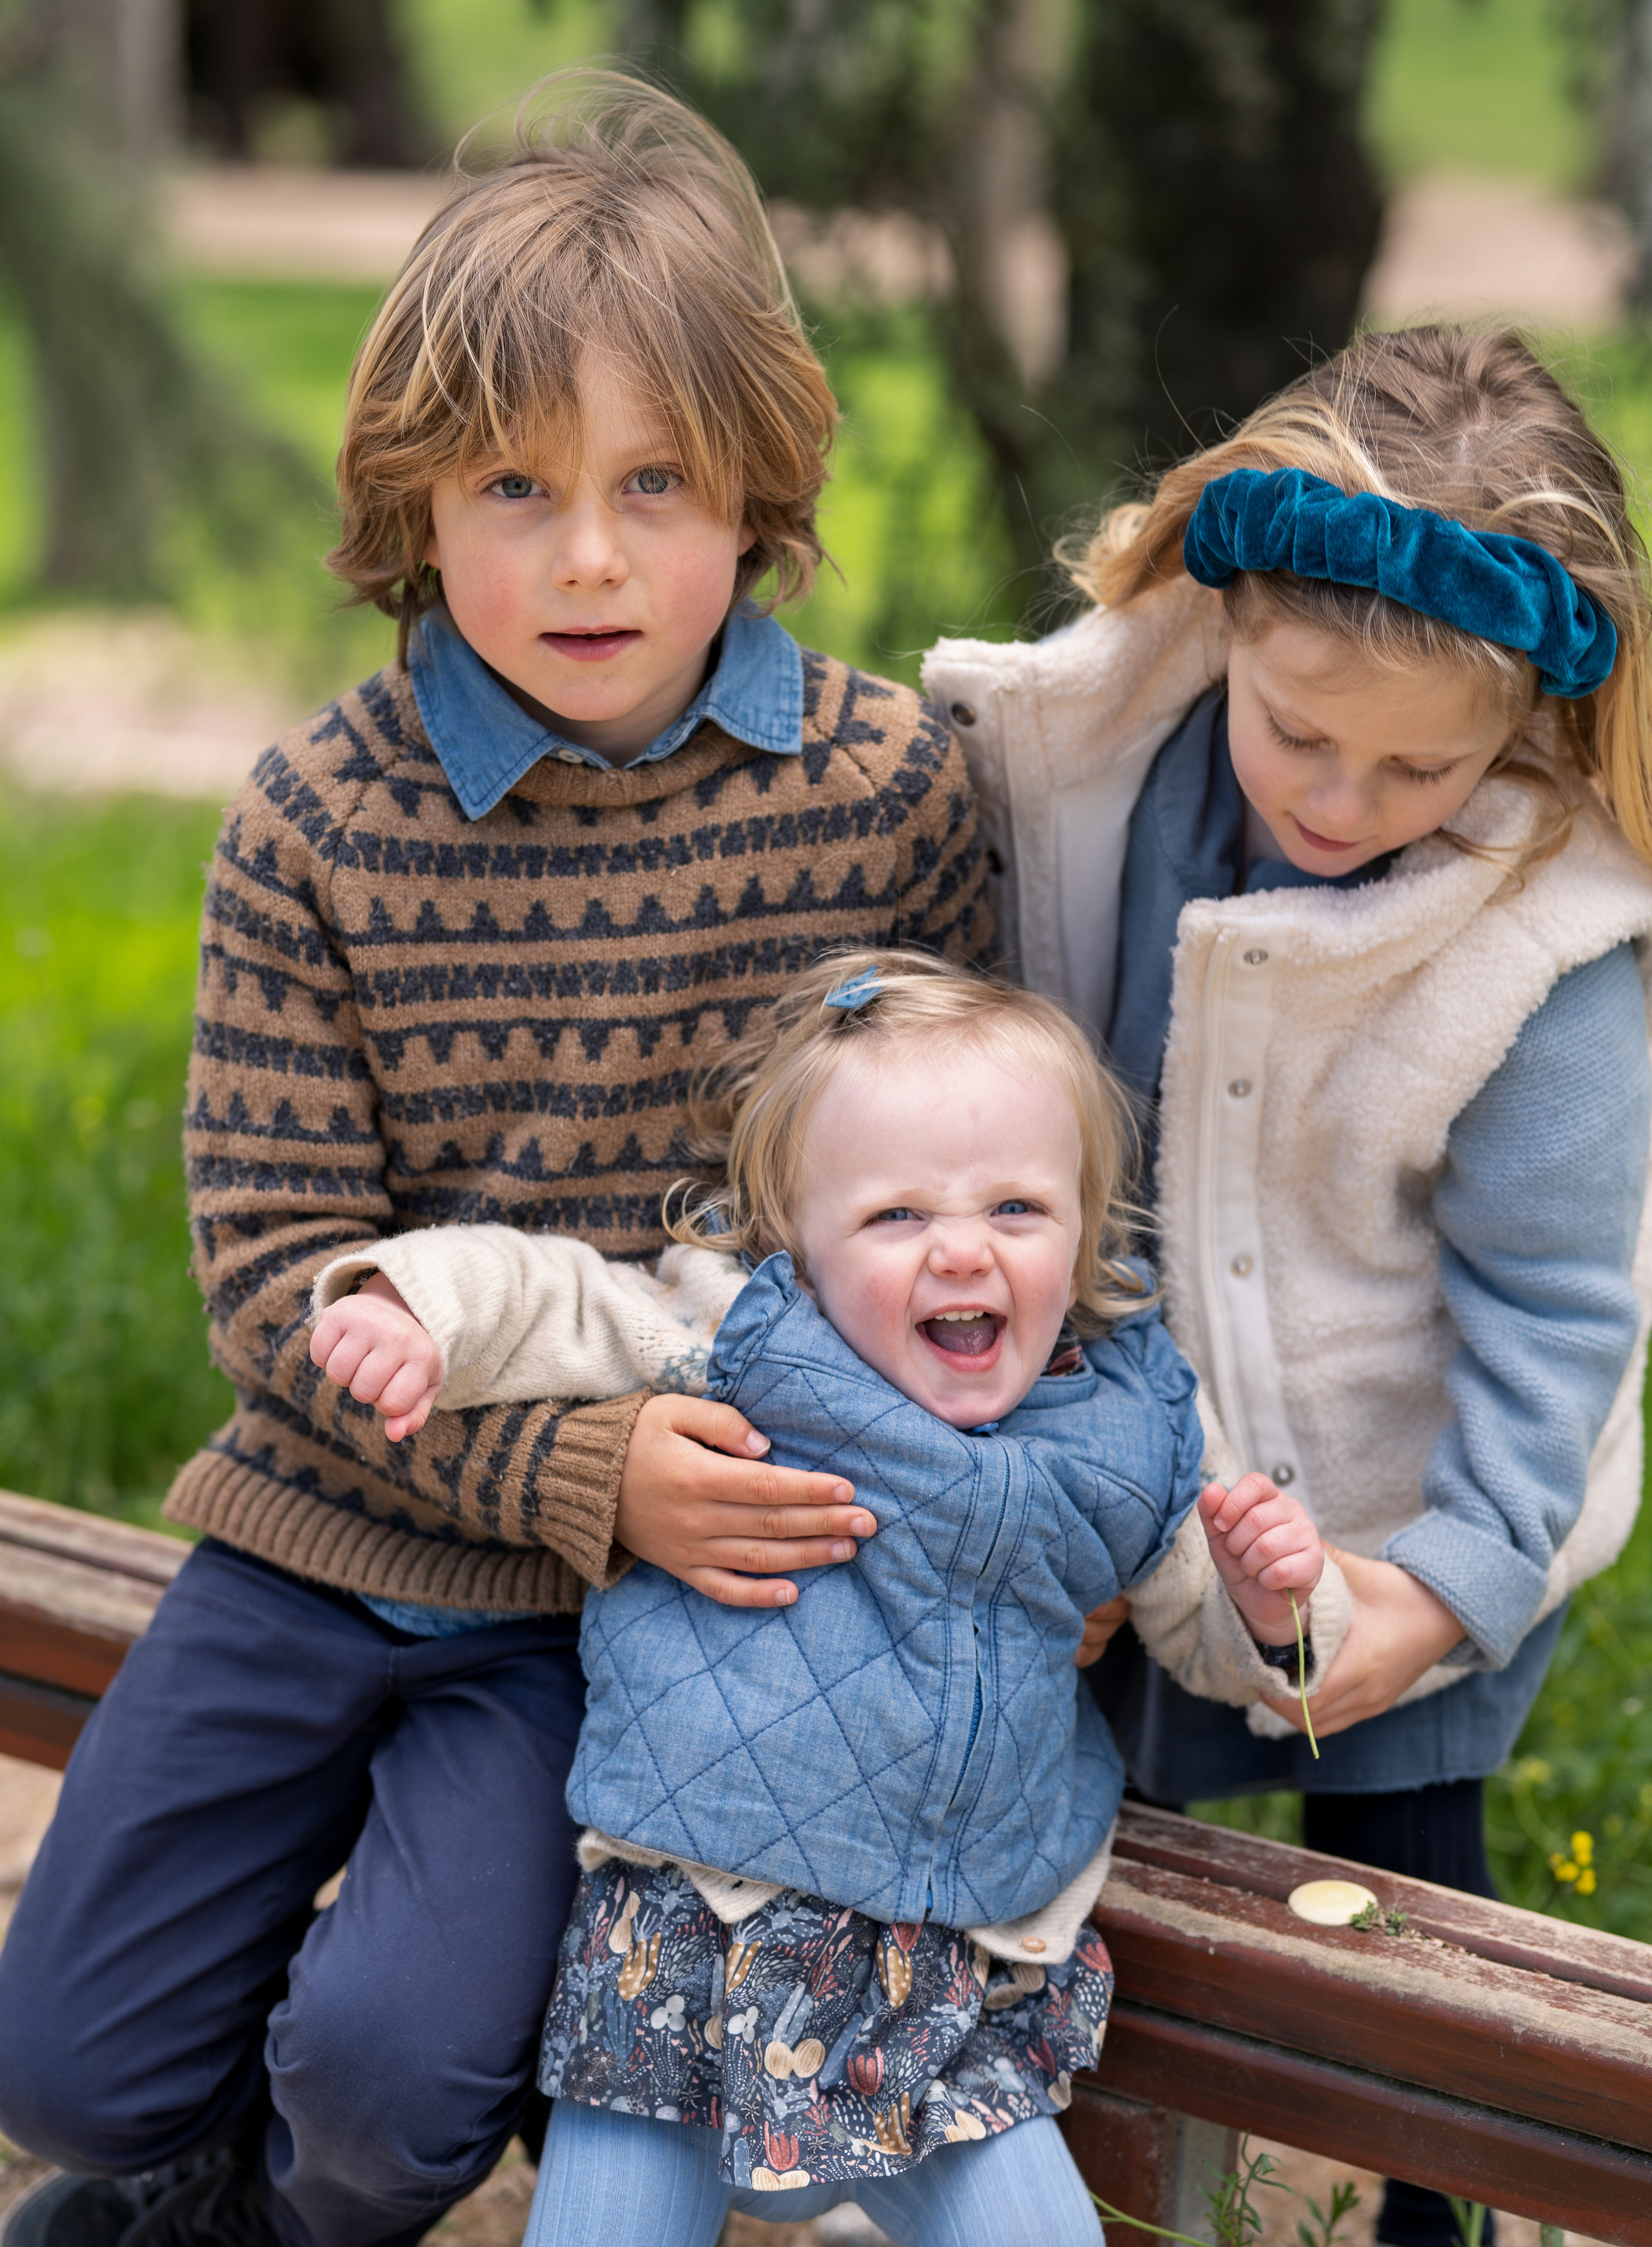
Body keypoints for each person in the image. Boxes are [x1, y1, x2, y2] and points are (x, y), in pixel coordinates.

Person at [0, 75, 992, 2247]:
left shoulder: (888, 801)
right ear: (414, 504)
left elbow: (966, 1198)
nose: (590, 556)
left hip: (602, 1624)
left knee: (379, 2098)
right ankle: (215, 2137)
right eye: (516, 487)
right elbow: (277, 1282)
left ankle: (282, 2193)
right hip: (317, 1535)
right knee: (61, 2067)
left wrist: (661, 1500)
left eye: (657, 482)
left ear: (758, 483)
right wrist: (573, 1464)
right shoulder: (315, 827)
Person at [922, 325, 1652, 2247]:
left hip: (1391, 1494)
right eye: (1299, 732)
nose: (1339, 796)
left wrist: (1453, 1582)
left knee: (1401, 1915)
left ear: (1523, 722)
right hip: (1107, 1455)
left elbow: (1559, 1316)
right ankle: (1083, 2176)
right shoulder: (1089, 772)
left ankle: (1432, 2208)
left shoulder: (1543, 956)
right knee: (1085, 1855)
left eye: (1421, 764)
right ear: (1226, 616)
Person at [307, 948, 1333, 2247]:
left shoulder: (1133, 1419)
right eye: (895, 1215)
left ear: (1084, 1222)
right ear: (795, 1234)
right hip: (689, 1942)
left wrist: (1272, 1608)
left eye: (1017, 1206)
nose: (961, 1247)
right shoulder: (746, 1335)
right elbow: (559, 1294)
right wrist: (418, 1309)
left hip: (952, 1972)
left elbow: (1211, 1633)